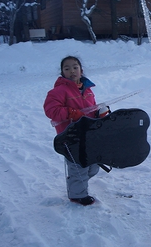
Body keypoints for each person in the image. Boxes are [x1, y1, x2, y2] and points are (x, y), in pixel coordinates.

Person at [43, 56, 108, 206]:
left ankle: (75, 181)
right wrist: (71, 113)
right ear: (62, 72)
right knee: (78, 167)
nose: (72, 71)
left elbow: (90, 110)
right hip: (71, 136)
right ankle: (77, 195)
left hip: (88, 135)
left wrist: (100, 113)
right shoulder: (58, 91)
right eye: (67, 68)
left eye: (75, 67)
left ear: (81, 70)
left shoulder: (88, 89)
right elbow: (51, 111)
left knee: (93, 166)